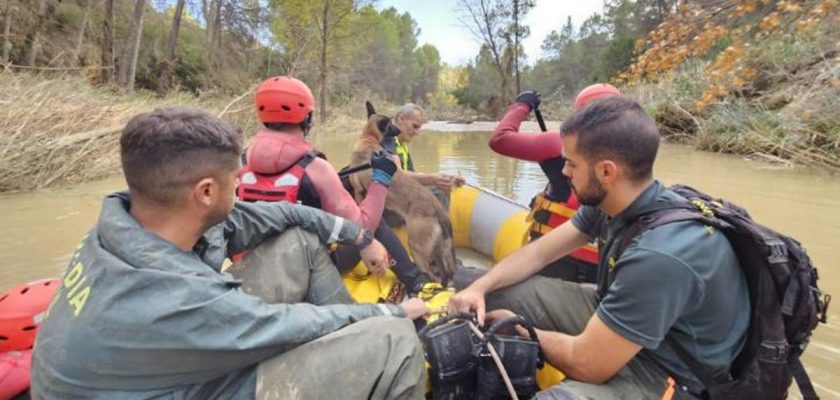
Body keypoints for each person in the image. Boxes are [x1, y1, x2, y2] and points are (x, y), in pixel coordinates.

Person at [31, 107, 429, 400]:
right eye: (235, 181)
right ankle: (373, 344)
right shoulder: (175, 297)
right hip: (176, 384)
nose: (241, 188)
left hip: (151, 372)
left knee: (299, 241)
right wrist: (391, 313)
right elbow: (286, 324)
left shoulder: (124, 221)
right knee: (394, 338)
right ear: (205, 191)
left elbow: (284, 213)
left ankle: (356, 339)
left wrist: (359, 236)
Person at [450, 96, 749, 400]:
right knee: (491, 293)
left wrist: (521, 330)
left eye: (571, 163)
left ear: (607, 171)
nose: (564, 172)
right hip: (623, 322)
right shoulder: (610, 204)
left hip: (669, 373)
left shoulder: (660, 256)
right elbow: (539, 253)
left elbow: (588, 364)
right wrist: (481, 286)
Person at [239, 76, 432, 294]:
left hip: (253, 268)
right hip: (303, 273)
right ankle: (415, 280)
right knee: (374, 224)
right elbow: (363, 226)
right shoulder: (316, 168)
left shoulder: (240, 162)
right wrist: (381, 180)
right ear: (308, 117)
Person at [488, 84, 621, 283]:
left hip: (557, 260)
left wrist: (522, 105)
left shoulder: (558, 143)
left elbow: (499, 140)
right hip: (602, 269)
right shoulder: (632, 151)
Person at [381, 103, 464, 197]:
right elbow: (397, 175)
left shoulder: (401, 143)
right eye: (415, 126)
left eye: (419, 128)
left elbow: (412, 177)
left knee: (442, 188)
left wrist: (445, 179)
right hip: (387, 196)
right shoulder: (388, 137)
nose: (417, 133)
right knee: (439, 193)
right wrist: (432, 179)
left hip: (400, 193)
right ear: (401, 119)